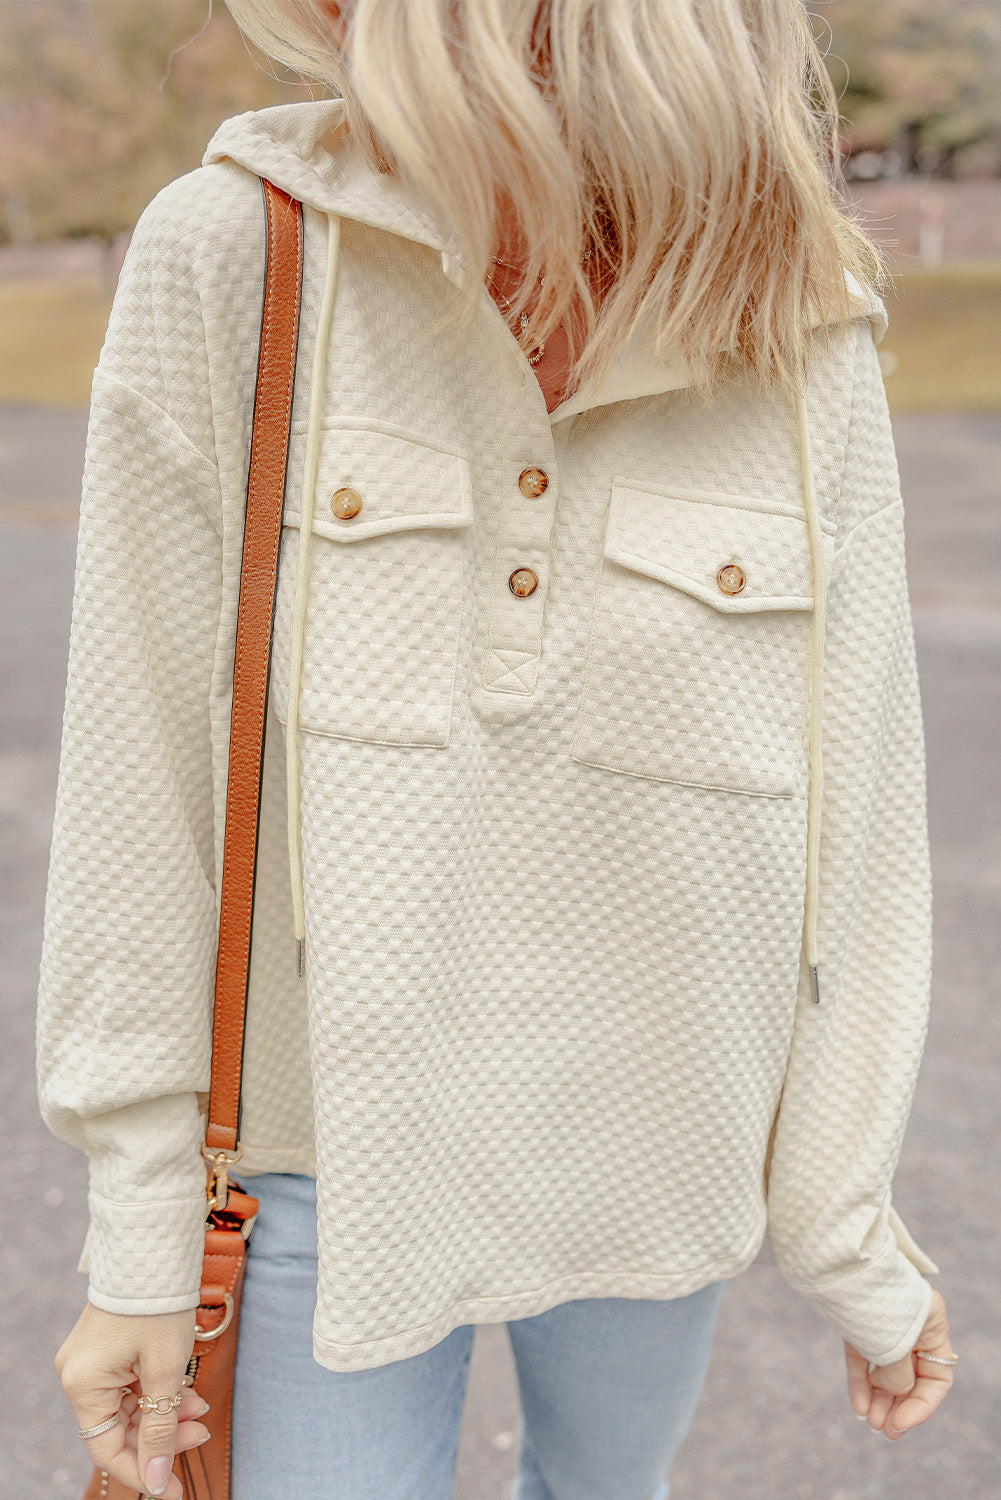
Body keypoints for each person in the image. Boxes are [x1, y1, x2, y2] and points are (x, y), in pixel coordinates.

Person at [37, 3, 957, 1498]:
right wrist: (141, 1233)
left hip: (660, 1153)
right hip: (316, 1155)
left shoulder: (798, 316)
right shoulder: (240, 252)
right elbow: (138, 788)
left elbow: (857, 817)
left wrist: (846, 1224)